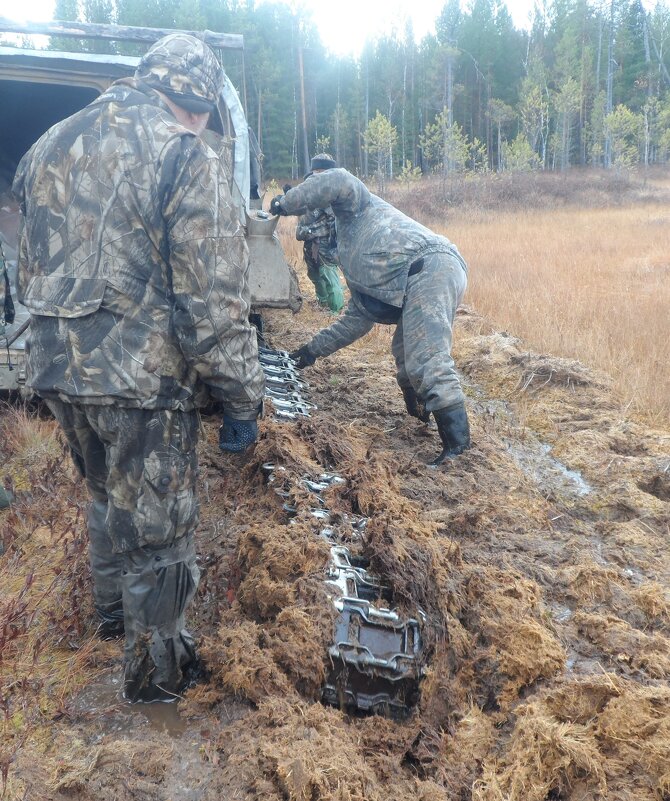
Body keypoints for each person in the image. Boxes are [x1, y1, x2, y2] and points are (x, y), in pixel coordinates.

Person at [13, 34, 265, 702]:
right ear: (197, 101)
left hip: (55, 366)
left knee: (104, 495)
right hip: (141, 383)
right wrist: (242, 397)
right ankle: (156, 683)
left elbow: (28, 257)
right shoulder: (185, 153)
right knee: (161, 531)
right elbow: (211, 306)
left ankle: (111, 620)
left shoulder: (49, 143)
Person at [270, 168, 470, 465]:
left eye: (316, 242)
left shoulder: (354, 209)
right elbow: (352, 324)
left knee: (426, 358)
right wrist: (309, 353)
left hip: (430, 266)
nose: (316, 250)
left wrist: (284, 204)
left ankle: (458, 448)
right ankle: (421, 415)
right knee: (404, 354)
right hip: (417, 278)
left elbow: (336, 179)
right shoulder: (354, 262)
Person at [293, 154, 345, 313]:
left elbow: (333, 221)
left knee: (328, 275)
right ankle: (322, 301)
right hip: (309, 242)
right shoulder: (309, 187)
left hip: (325, 242)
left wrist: (310, 231)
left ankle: (336, 310)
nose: (317, 174)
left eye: (320, 171)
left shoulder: (331, 192)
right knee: (313, 274)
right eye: (315, 171)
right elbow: (302, 210)